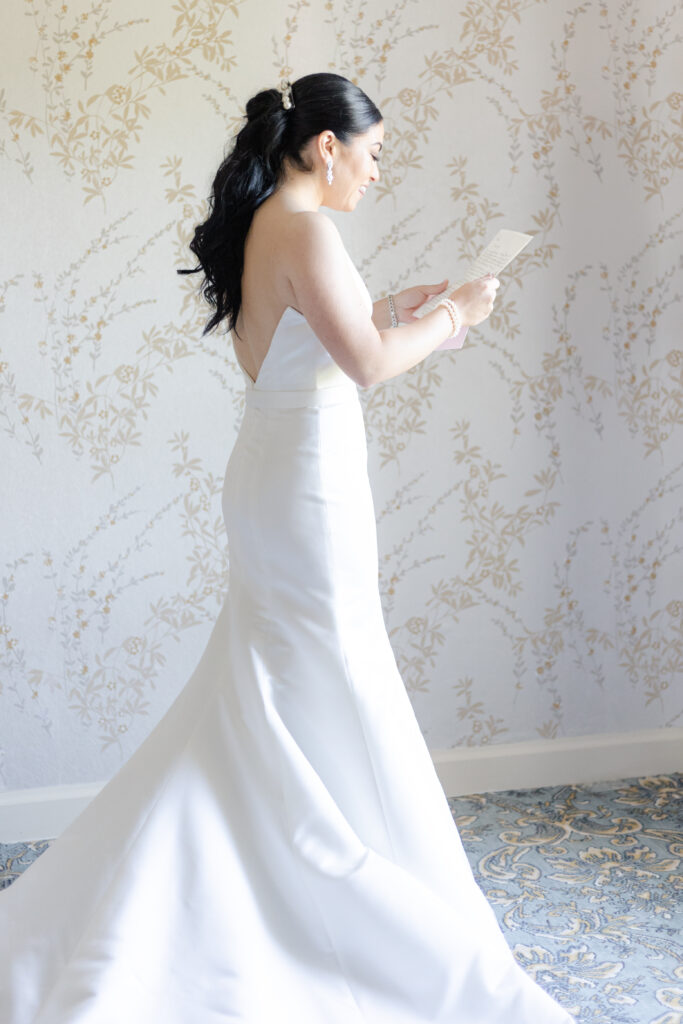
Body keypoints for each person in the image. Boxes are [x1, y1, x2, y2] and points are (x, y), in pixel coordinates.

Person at [0, 73, 576, 1023]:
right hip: (306, 484)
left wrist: (400, 307)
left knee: (279, 680)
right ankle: (358, 882)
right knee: (334, 671)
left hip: (277, 471)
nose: (376, 171)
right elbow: (367, 364)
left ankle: (275, 859)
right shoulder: (309, 229)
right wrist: (455, 316)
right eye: (375, 152)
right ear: (324, 146)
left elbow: (319, 337)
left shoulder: (271, 223)